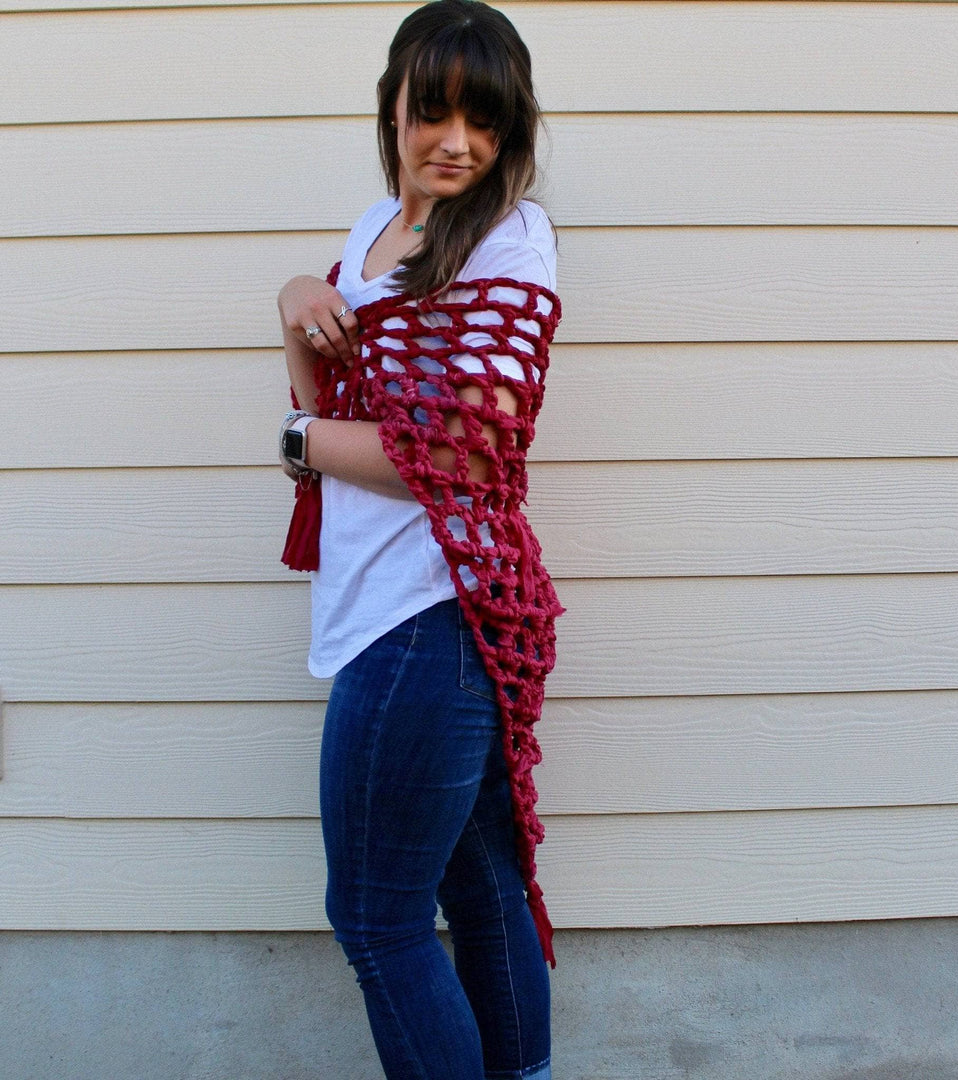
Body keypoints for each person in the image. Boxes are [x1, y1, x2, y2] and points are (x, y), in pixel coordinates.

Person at [274, 2, 561, 1077]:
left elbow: (456, 456)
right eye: (432, 110)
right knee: (480, 893)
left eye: (482, 121)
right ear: (391, 103)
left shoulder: (509, 241)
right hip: (383, 608)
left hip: (425, 620)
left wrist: (298, 439)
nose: (456, 141)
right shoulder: (372, 230)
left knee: (378, 923)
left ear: (511, 130)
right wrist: (299, 299)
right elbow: (338, 389)